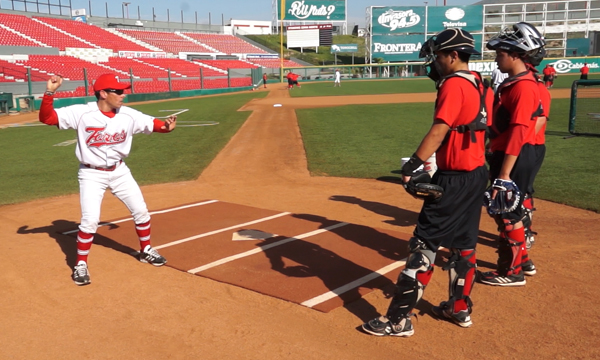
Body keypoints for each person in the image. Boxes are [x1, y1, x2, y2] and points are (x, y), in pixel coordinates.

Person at [361, 28, 492, 337]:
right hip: (476, 175)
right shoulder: (479, 83)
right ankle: (459, 308)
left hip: (455, 179)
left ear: (453, 56)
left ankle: (398, 320)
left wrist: (413, 166)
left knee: (425, 244)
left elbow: (439, 130)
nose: (435, 63)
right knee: (464, 244)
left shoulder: (453, 84)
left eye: (438, 56)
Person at [39, 73, 176, 286]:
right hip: (91, 174)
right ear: (103, 93)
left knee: (140, 210)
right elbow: (47, 118)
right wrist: (50, 92)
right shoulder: (82, 113)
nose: (123, 95)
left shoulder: (128, 115)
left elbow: (154, 125)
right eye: (118, 91)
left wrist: (167, 126)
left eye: (123, 90)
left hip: (120, 171)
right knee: (90, 220)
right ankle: (80, 265)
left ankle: (146, 249)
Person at [478, 22, 546, 287]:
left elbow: (520, 130)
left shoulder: (523, 86)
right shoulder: (516, 82)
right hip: (510, 153)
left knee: (507, 211)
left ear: (516, 54)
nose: (497, 59)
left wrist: (504, 174)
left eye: (501, 54)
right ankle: (522, 262)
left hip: (514, 156)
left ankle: (512, 271)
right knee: (505, 210)